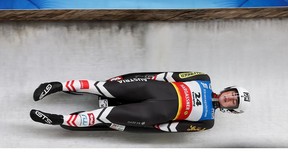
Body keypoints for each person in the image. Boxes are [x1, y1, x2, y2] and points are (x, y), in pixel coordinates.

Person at [30, 71, 251, 133]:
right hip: (150, 87)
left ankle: (57, 119)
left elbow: (171, 128)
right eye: (233, 94)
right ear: (228, 89)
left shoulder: (207, 122)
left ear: (231, 109)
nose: (230, 98)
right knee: (104, 86)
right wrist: (132, 77)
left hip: (152, 112)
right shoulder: (203, 78)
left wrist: (137, 127)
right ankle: (57, 86)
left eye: (233, 102)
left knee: (104, 117)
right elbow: (166, 75)